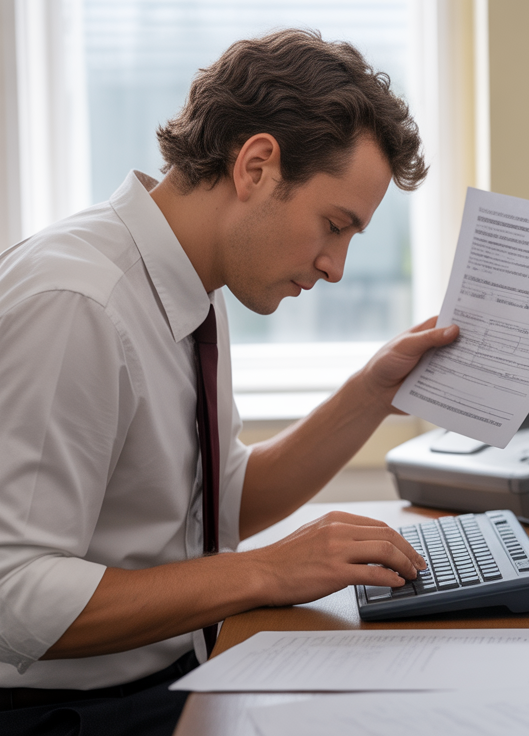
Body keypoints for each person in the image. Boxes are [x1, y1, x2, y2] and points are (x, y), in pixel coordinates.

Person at [0, 29, 456, 735]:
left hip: (173, 676)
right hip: (67, 715)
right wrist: (269, 572)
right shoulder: (79, 303)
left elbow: (218, 505)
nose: (335, 265)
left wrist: (374, 392)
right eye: (334, 226)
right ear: (257, 166)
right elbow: (12, 595)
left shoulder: (195, 281)